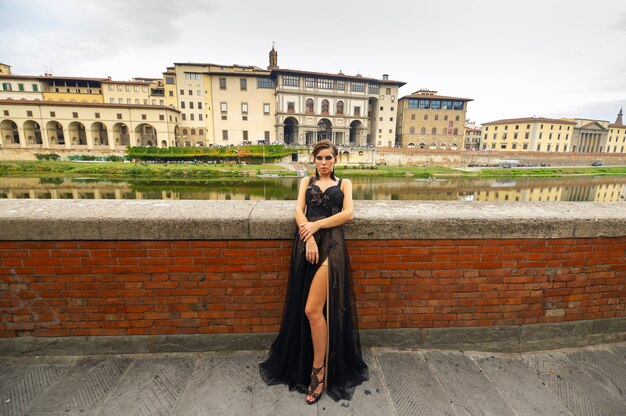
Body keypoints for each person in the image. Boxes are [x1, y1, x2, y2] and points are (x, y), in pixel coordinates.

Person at [259, 139, 368, 404]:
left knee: (312, 309)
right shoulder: (305, 182)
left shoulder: (345, 184)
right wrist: (307, 236)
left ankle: (319, 372)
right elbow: (298, 210)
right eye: (319, 158)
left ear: (336, 160)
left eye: (328, 158)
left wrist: (317, 227)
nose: (323, 163)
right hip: (306, 244)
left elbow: (348, 214)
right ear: (314, 159)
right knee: (304, 307)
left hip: (332, 246)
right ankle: (311, 361)